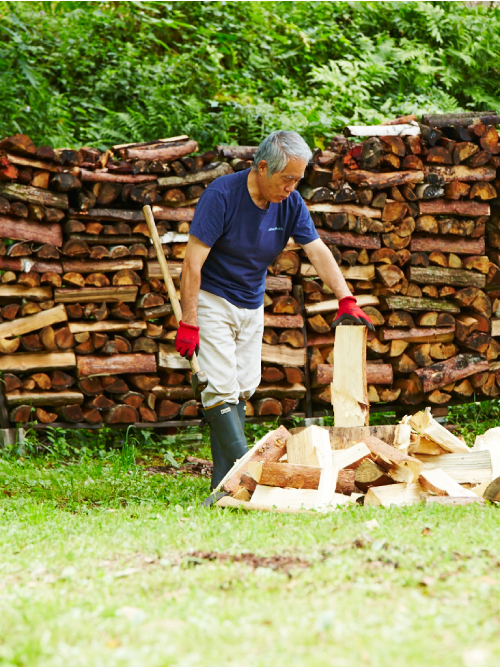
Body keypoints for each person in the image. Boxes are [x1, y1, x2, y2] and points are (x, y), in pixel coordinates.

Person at [175, 130, 373, 492]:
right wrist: (189, 323)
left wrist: (347, 299)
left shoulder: (291, 204)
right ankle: (250, 478)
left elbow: (316, 251)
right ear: (262, 167)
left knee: (244, 388)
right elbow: (192, 264)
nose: (292, 187)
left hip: (251, 302)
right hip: (213, 298)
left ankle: (223, 484)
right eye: (287, 179)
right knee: (220, 387)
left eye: (298, 179)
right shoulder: (221, 196)